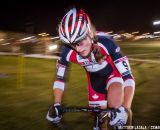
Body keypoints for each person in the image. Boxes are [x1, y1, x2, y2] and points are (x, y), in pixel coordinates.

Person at [46, 8, 135, 129]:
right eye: (72, 44)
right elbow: (60, 79)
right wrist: (56, 104)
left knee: (118, 116)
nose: (77, 49)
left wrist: (125, 108)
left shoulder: (107, 43)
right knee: (99, 121)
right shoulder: (67, 51)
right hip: (94, 83)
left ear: (90, 34)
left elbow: (128, 77)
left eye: (80, 42)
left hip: (113, 76)